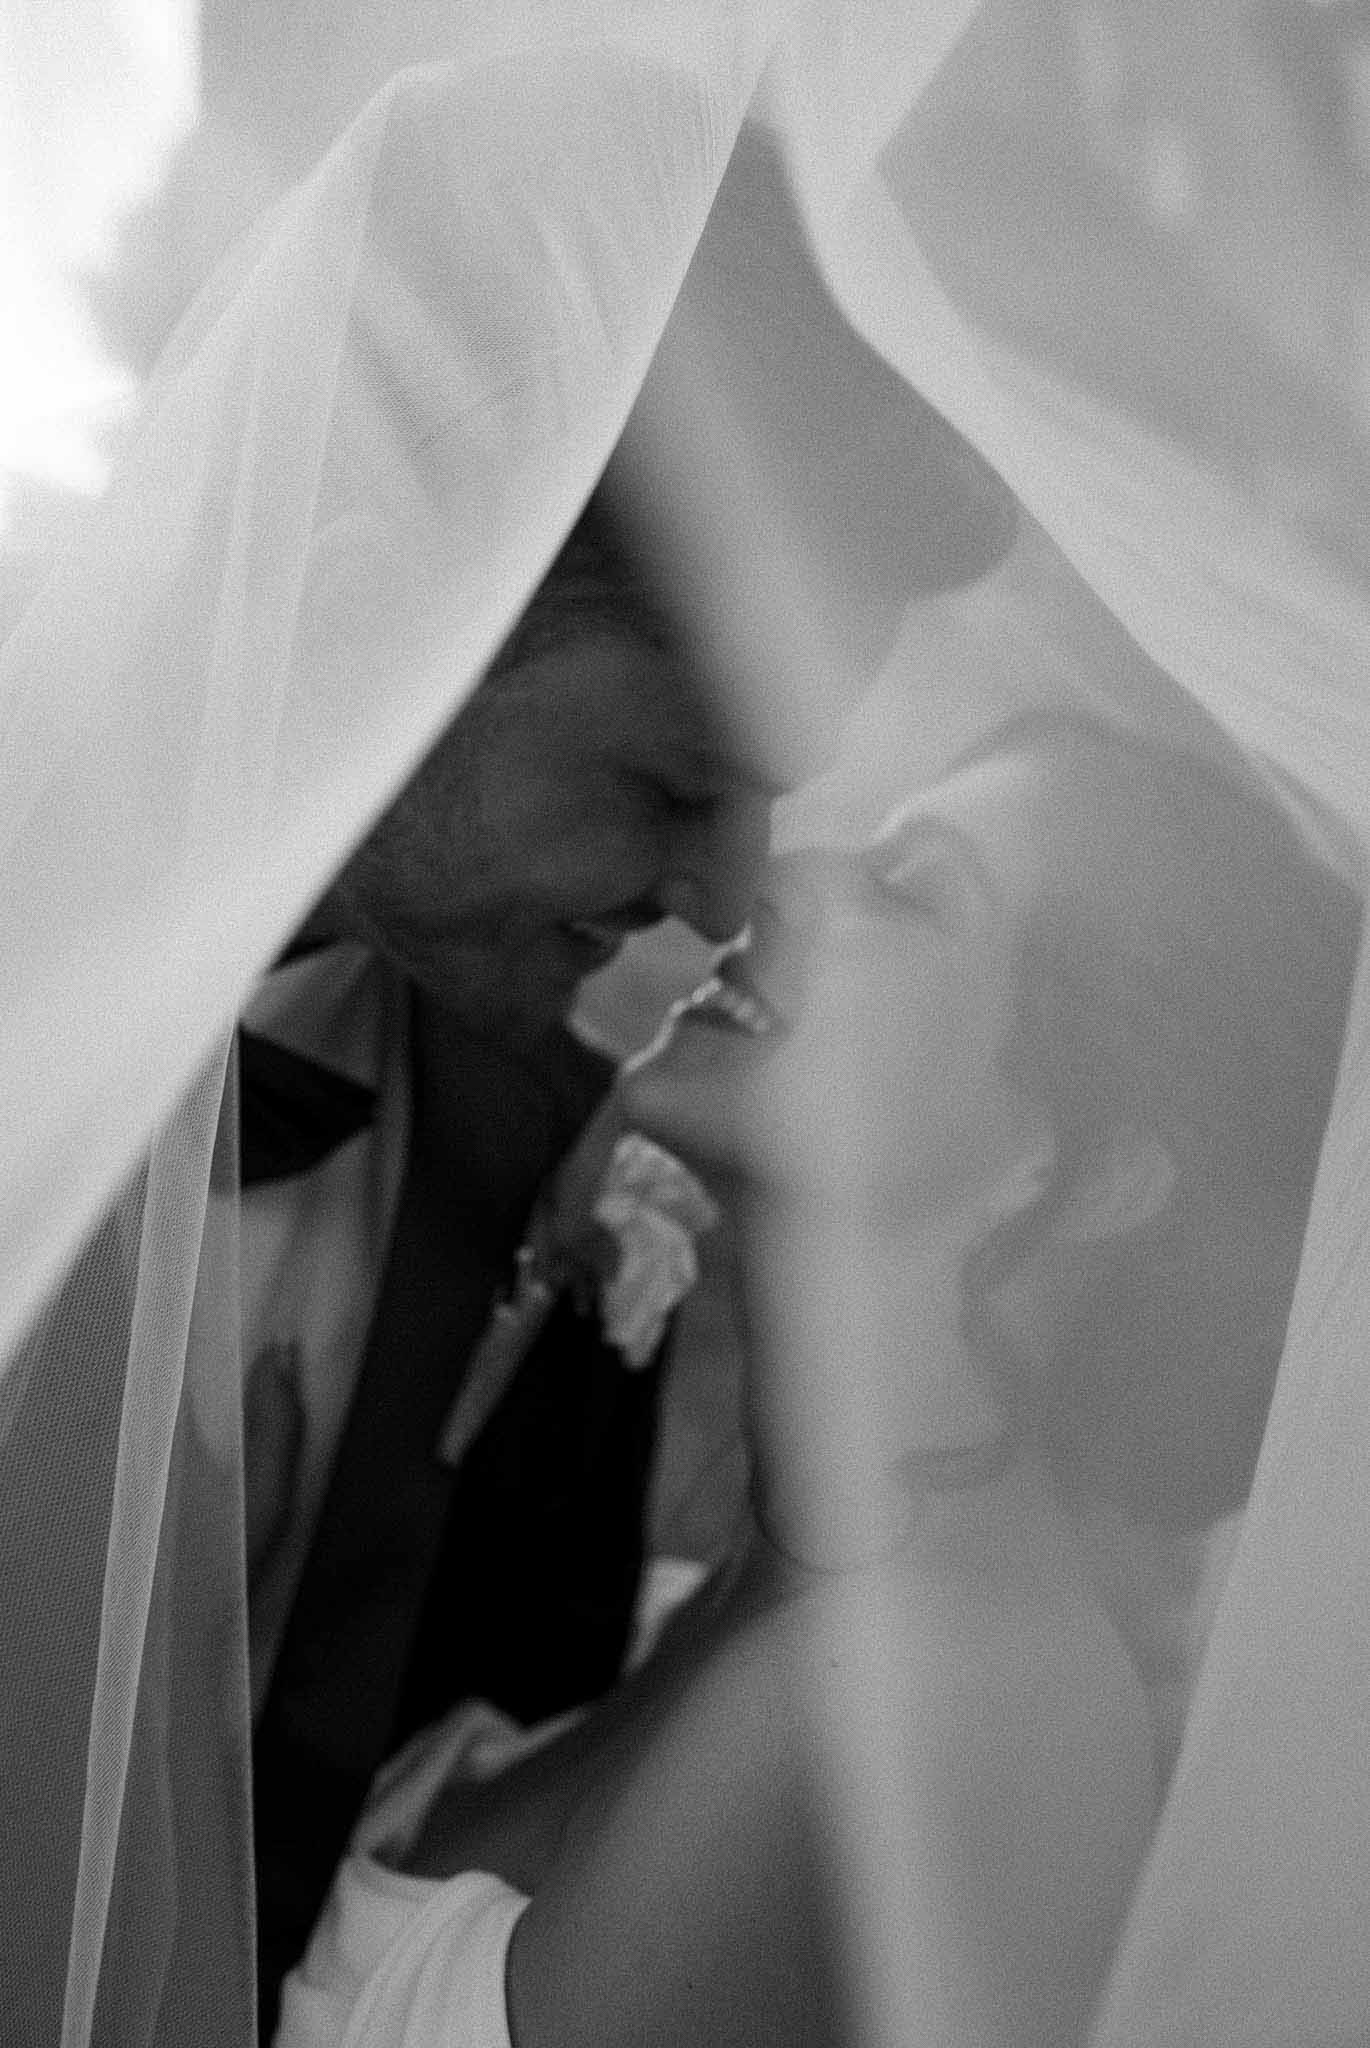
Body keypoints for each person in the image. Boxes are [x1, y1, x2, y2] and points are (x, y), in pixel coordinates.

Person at [271, 705, 1360, 2048]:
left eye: (909, 889)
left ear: (1080, 1173)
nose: (783, 876)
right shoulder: (804, 1579)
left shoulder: (931, 1695)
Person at [243, 479, 786, 2029]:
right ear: (395, 629)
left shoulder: (552, 1149)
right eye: (674, 785)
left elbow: (531, 1695)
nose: (722, 904)